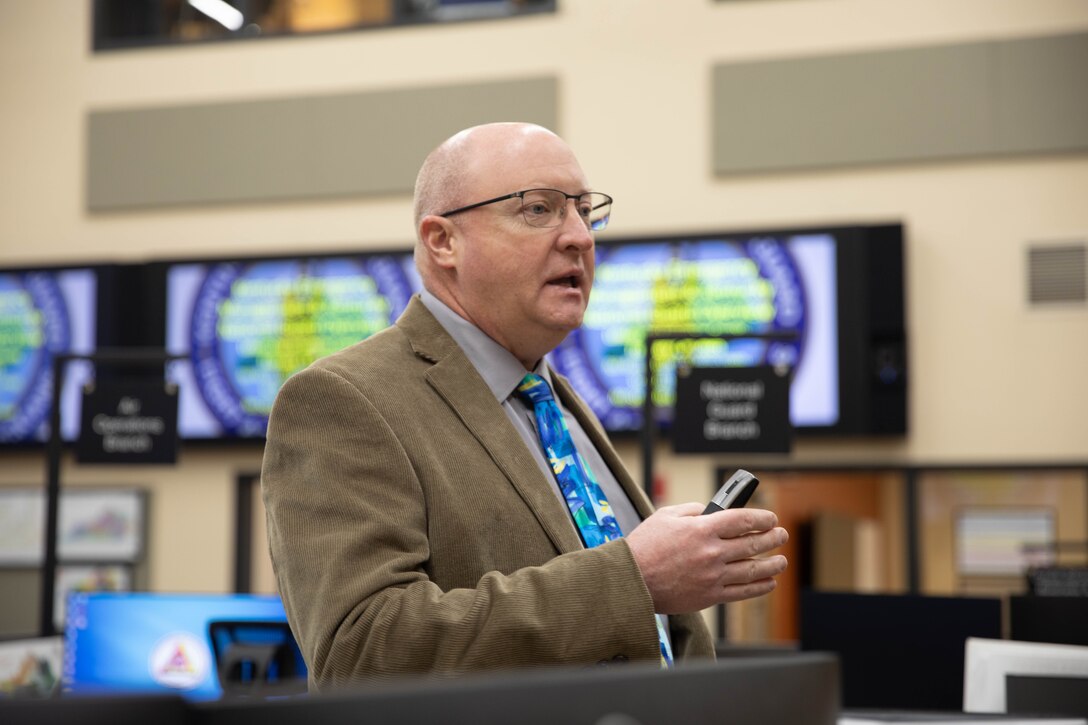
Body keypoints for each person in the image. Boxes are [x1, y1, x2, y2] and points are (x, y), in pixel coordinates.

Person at [261, 122, 789, 690]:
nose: (580, 237)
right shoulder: (343, 399)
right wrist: (631, 577)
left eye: (586, 212)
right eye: (539, 209)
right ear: (443, 241)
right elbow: (362, 654)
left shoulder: (554, 401)